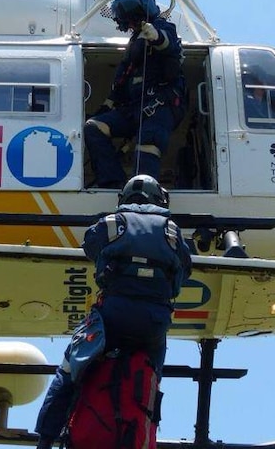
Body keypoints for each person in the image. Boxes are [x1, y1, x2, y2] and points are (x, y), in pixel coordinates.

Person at [34, 174, 193, 449]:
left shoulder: (110, 223)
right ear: (159, 199)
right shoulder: (172, 230)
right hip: (153, 324)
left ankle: (46, 438)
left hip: (112, 316)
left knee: (70, 370)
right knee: (151, 378)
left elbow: (90, 246)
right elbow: (185, 269)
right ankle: (139, 434)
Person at [85, 0, 186, 188]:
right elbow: (122, 78)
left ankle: (144, 195)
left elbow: (169, 46)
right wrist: (107, 105)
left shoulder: (163, 28)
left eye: (132, 21)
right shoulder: (134, 45)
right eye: (128, 23)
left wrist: (155, 36)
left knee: (146, 145)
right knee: (93, 128)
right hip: (133, 109)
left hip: (159, 106)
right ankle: (113, 182)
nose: (131, 26)